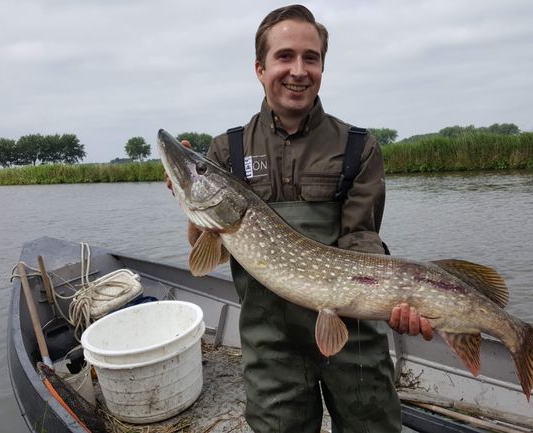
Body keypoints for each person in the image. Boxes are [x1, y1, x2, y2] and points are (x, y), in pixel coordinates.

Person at [174, 5, 433, 432]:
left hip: (352, 329)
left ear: (322, 67)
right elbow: (203, 251)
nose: (298, 70)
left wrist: (392, 300)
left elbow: (361, 237)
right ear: (260, 68)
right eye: (284, 56)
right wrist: (192, 191)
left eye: (310, 58)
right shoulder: (226, 152)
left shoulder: (358, 146)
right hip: (270, 341)